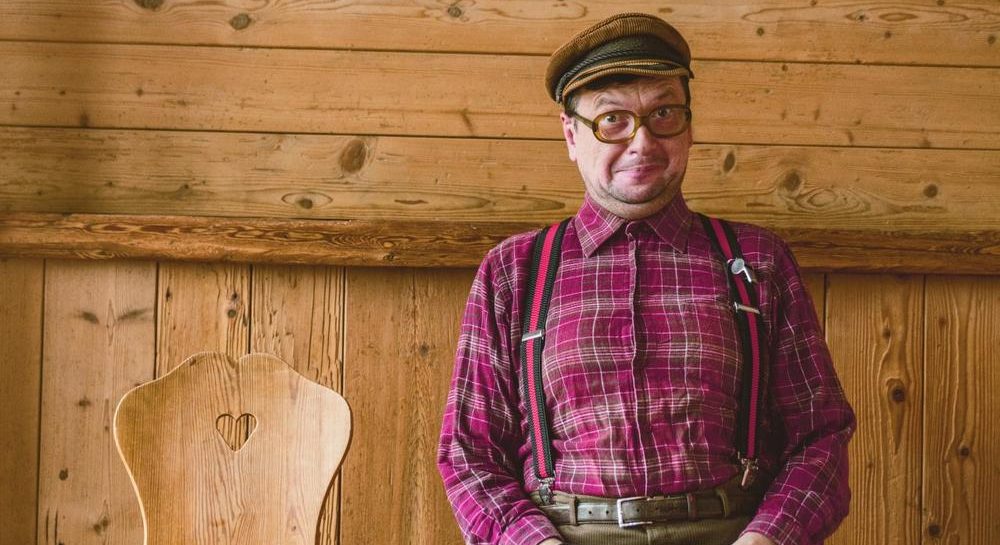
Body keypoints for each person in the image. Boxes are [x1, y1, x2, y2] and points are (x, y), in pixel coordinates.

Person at [438, 12, 855, 545]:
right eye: (612, 119)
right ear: (571, 134)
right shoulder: (512, 272)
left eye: (663, 113)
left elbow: (820, 437)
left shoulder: (759, 261)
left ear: (689, 126)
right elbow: (468, 454)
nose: (642, 142)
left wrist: (766, 540)